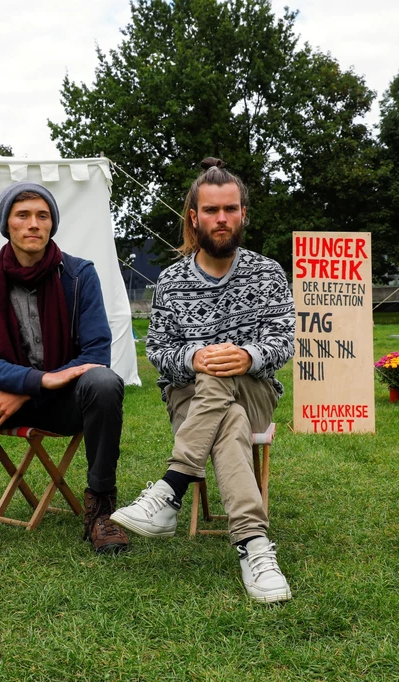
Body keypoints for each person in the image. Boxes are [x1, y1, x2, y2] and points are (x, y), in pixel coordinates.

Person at [110, 158, 296, 603]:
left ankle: (171, 488)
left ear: (243, 214)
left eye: (230, 209)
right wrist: (196, 356)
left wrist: (247, 355)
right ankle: (254, 547)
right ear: (194, 217)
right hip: (187, 397)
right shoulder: (172, 280)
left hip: (255, 390)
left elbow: (284, 341)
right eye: (211, 210)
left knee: (222, 378)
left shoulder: (267, 273)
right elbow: (157, 353)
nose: (222, 219)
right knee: (222, 407)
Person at [0, 182, 129, 557]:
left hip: (63, 402)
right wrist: (36, 380)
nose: (33, 224)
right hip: (0, 397)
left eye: (42, 216)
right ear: (7, 225)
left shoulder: (80, 276)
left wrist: (29, 387)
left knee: (104, 381)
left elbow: (96, 352)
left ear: (51, 225)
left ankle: (101, 509)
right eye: (23, 215)